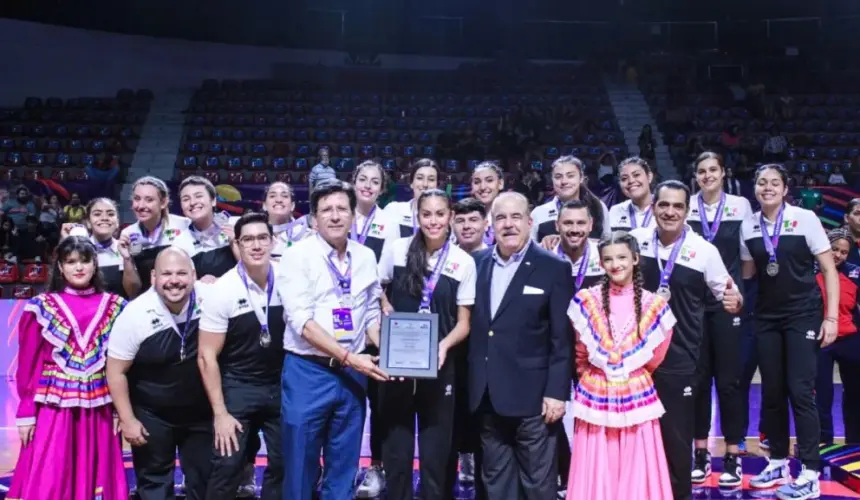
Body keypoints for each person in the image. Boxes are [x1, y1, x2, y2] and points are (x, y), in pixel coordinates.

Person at [628, 180, 743, 500]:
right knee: (634, 438)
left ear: (687, 212)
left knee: (677, 441)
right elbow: (599, 255)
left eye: (678, 206)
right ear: (653, 208)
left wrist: (737, 302)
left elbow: (729, 294)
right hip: (633, 359)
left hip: (679, 358)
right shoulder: (634, 242)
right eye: (663, 205)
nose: (670, 211)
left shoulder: (704, 251)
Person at [279, 180, 390, 499]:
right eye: (326, 209)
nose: (335, 215)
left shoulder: (366, 256)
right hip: (308, 372)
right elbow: (302, 322)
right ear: (313, 219)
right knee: (300, 467)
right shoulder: (297, 256)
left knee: (344, 467)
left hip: (353, 374)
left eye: (342, 208)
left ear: (354, 215)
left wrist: (390, 351)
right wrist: (349, 357)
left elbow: (370, 313)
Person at [742, 164, 839, 499]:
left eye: (774, 183)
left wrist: (831, 318)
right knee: (771, 392)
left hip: (803, 315)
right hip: (767, 318)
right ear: (754, 188)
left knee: (800, 390)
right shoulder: (749, 224)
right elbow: (748, 272)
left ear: (785, 189)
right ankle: (779, 460)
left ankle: (810, 469)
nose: (767, 187)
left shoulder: (804, 219)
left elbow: (828, 269)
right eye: (761, 183)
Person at [469, 192, 574, 499]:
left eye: (516, 217)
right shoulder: (475, 264)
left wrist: (557, 392)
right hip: (487, 396)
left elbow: (561, 338)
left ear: (530, 223)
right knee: (496, 483)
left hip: (534, 399)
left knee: (537, 485)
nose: (508, 224)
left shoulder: (553, 268)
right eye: (501, 218)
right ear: (491, 225)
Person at [9, 236, 129, 500]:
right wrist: (26, 411)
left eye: (84, 260)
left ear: (95, 264)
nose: (79, 267)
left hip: (101, 401)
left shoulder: (115, 306)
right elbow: (28, 363)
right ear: (60, 267)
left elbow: (123, 363)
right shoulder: (41, 307)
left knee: (98, 468)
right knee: (51, 468)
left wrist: (123, 409)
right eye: (71, 261)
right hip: (54, 403)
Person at [378, 189, 477, 500]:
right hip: (398, 365)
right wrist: (385, 310)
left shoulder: (462, 262)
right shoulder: (397, 249)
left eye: (439, 214)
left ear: (450, 217)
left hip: (440, 365)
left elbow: (464, 323)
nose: (433, 221)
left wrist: (443, 346)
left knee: (437, 454)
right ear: (417, 217)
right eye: (426, 214)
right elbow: (377, 290)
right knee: (397, 450)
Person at [566, 231, 675, 499]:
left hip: (637, 391)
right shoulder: (586, 300)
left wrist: (630, 373)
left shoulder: (654, 305)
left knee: (636, 458)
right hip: (596, 391)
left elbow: (657, 355)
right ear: (601, 263)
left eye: (622, 257)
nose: (616, 264)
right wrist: (597, 374)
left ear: (635, 258)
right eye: (608, 259)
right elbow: (580, 350)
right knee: (596, 457)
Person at [106, 247, 214, 500]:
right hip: (152, 414)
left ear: (194, 275)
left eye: (181, 273)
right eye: (166, 274)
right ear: (153, 276)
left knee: (206, 484)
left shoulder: (213, 299)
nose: (174, 280)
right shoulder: (134, 314)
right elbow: (116, 372)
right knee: (153, 486)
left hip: (201, 413)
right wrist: (128, 419)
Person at [197, 213, 285, 499]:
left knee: (285, 463)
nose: (256, 245)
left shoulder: (289, 279)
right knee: (227, 464)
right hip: (238, 385)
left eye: (262, 238)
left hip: (281, 385)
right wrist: (220, 414)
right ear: (237, 244)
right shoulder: (222, 289)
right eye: (248, 239)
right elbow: (206, 356)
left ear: (273, 241)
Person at [686, 152, 754, 487]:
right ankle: (700, 454)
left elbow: (746, 260)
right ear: (695, 176)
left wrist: (734, 291)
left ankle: (732, 456)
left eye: (713, 170)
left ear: (723, 173)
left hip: (728, 306)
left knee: (729, 384)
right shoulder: (684, 206)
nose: (708, 175)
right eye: (702, 171)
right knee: (697, 382)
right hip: (694, 307)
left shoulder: (740, 205)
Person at [350, 160, 399, 498]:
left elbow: (385, 275)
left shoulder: (388, 222)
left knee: (378, 400)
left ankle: (376, 467)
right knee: (344, 399)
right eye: (362, 179)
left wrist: (379, 300)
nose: (368, 185)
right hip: (338, 317)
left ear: (383, 188)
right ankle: (342, 465)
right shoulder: (338, 211)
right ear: (353, 183)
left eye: (375, 181)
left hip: (374, 314)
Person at [551, 199, 605, 497]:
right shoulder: (545, 256)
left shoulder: (603, 256)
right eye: (568, 223)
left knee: (593, 416)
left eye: (580, 223)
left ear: (591, 225)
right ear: (557, 225)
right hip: (555, 349)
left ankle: (591, 475)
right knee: (551, 413)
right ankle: (563, 471)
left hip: (593, 352)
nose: (574, 229)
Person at [814, 228, 860, 445]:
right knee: (821, 395)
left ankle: (855, 442)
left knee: (855, 393)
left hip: (850, 339)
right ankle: (823, 441)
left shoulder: (855, 274)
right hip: (820, 339)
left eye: (843, 252)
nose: (838, 255)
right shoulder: (810, 272)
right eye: (834, 249)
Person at [121, 176, 197, 293]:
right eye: (137, 199)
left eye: (149, 200)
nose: (140, 206)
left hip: (180, 294)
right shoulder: (128, 234)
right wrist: (127, 259)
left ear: (163, 202)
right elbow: (132, 290)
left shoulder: (183, 225)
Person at [531, 156, 610, 248]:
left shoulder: (597, 207)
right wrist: (543, 244)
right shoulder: (539, 213)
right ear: (552, 180)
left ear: (581, 178)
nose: (564, 181)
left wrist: (564, 241)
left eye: (570, 176)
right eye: (558, 177)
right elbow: (528, 250)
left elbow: (608, 245)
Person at [179, 176, 237, 280]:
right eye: (186, 199)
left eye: (198, 196)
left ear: (213, 200)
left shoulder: (236, 225)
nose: (192, 203)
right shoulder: (180, 242)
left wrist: (236, 243)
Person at [384, 158, 440, 237]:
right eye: (420, 178)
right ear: (411, 183)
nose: (425, 184)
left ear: (437, 185)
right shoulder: (394, 210)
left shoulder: (442, 218)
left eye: (431, 179)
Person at [608, 157, 656, 232]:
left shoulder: (666, 208)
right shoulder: (615, 211)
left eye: (636, 175)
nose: (631, 181)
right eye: (624, 178)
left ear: (649, 177)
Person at [470, 162, 506, 247]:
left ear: (500, 183)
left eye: (489, 180)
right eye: (477, 182)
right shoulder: (465, 219)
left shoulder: (510, 218)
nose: (482, 187)